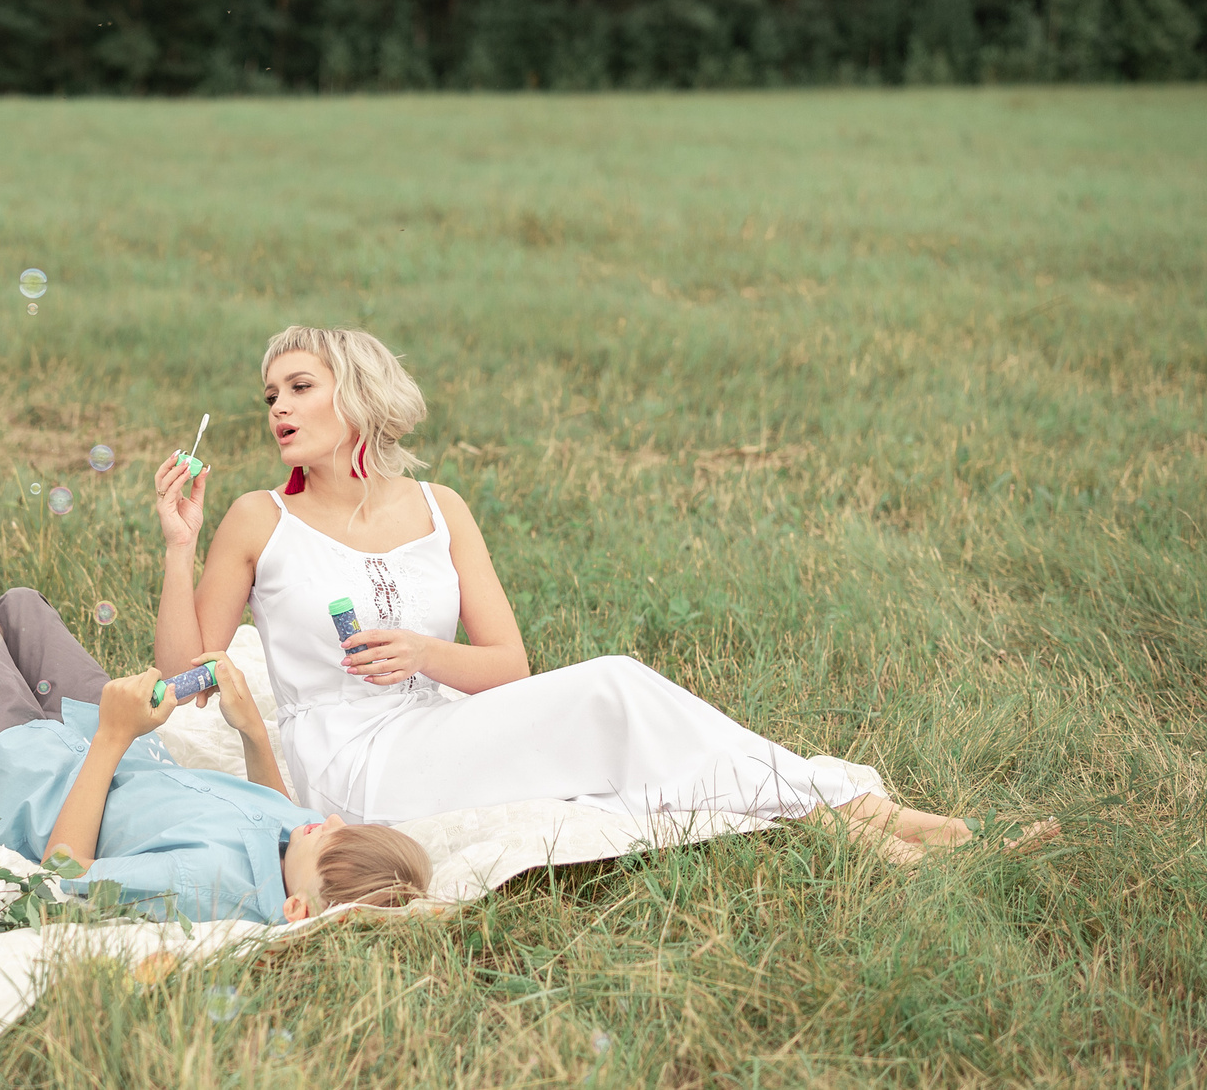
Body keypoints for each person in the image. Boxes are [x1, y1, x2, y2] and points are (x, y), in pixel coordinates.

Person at [148, 324, 1050, 863]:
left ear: (358, 394)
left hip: (439, 723)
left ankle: (858, 820)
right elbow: (184, 680)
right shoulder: (258, 518)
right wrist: (180, 547)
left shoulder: (439, 506)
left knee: (634, 736)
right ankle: (862, 816)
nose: (278, 406)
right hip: (349, 764)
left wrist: (422, 653)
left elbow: (509, 665)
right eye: (270, 394)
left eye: (300, 386)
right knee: (615, 691)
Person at [0, 584, 432, 923]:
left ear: (296, 909)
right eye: (343, 826)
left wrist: (111, 736)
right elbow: (281, 813)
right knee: (19, 608)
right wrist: (251, 731)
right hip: (118, 745)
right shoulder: (299, 850)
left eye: (328, 839)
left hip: (33, 777)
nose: (328, 820)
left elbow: (62, 875)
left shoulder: (201, 884)